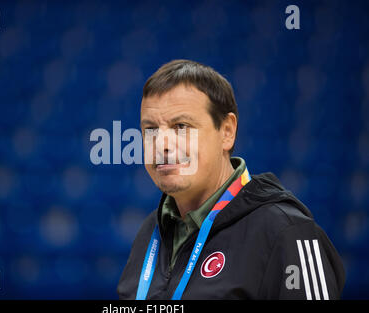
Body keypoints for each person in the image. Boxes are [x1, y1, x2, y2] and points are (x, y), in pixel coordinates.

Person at [117, 59, 345, 300]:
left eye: (181, 126)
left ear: (227, 132)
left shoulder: (288, 231)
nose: (161, 144)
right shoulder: (149, 233)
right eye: (150, 130)